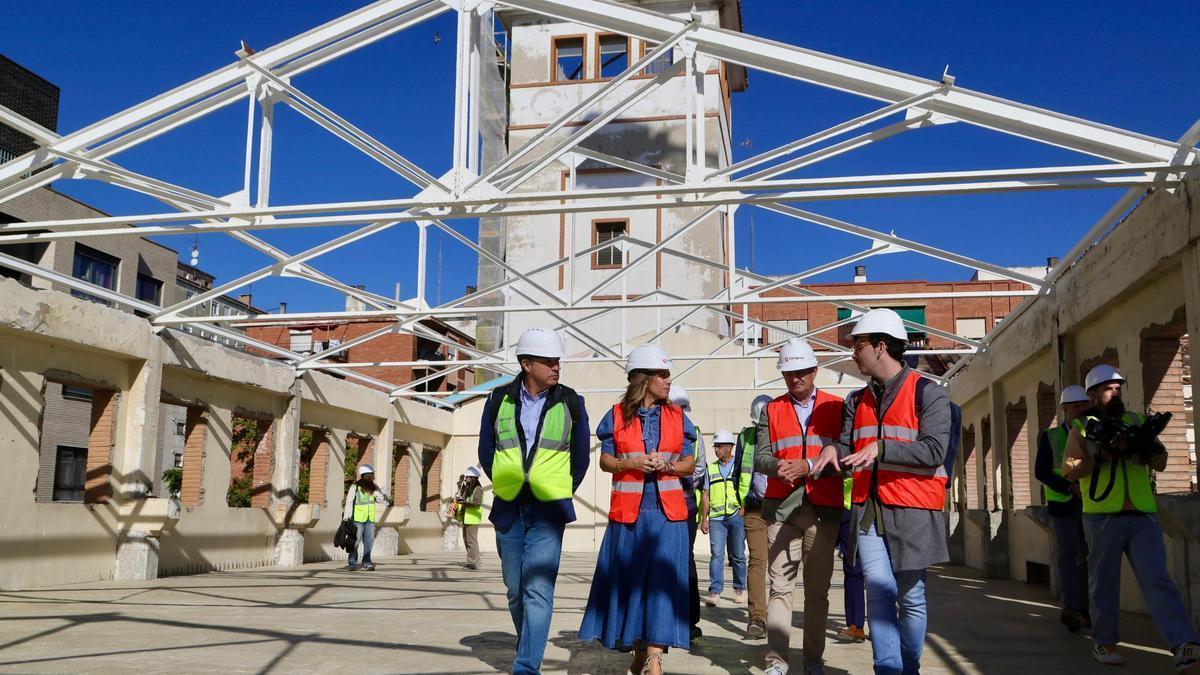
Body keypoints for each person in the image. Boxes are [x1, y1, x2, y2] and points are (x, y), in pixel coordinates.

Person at [825, 308, 953, 675]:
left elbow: (933, 451)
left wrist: (882, 448)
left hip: (912, 510)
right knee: (878, 593)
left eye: (858, 345)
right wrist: (834, 449)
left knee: (911, 599)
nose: (853, 352)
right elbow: (849, 443)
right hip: (867, 510)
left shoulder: (928, 393)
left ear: (881, 347)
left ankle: (908, 668)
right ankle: (888, 670)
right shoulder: (854, 400)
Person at [1062, 365, 1200, 671]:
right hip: (1101, 516)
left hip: (1142, 514)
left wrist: (1144, 447)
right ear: (1094, 395)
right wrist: (1103, 456)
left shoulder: (1137, 421)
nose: (1116, 392)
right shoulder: (1083, 426)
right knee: (1104, 584)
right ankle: (1105, 642)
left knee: (1158, 580)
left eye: (1119, 387)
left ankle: (1184, 644)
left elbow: (1161, 461)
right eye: (1109, 388)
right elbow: (1070, 469)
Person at [477, 327, 591, 675]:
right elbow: (486, 449)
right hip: (509, 506)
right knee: (515, 589)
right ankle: (528, 641)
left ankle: (526, 665)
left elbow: (581, 457)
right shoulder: (498, 400)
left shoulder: (571, 401)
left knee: (538, 589)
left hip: (548, 509)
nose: (556, 367)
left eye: (557, 361)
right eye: (548, 361)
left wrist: (557, 486)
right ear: (526, 364)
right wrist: (505, 479)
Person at [580, 344, 697, 675]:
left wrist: (668, 466)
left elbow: (689, 463)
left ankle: (655, 657)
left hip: (668, 514)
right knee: (632, 583)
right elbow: (605, 461)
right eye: (662, 374)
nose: (668, 380)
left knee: (662, 582)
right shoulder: (615, 416)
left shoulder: (677, 416)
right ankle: (638, 648)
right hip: (628, 515)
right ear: (643, 379)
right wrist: (628, 462)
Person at [754, 338, 846, 675]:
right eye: (789, 373)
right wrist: (777, 465)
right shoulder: (771, 410)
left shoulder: (837, 408)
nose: (795, 379)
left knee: (817, 593)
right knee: (780, 588)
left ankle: (813, 661)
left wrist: (810, 464)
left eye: (801, 372)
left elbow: (846, 455)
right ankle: (777, 662)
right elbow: (760, 455)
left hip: (823, 511)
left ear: (814, 370)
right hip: (783, 509)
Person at [1034, 384, 1092, 633]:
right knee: (1068, 554)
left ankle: (1088, 609)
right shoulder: (1050, 436)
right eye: (1076, 406)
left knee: (1089, 556)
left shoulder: (1094, 433)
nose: (1080, 410)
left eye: (1084, 405)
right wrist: (1069, 487)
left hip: (1090, 503)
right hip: (1062, 505)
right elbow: (1041, 471)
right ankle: (1072, 608)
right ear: (1065, 408)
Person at [669, 384, 708, 641]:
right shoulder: (695, 431)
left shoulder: (663, 429)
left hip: (673, 500)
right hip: (686, 499)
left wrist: (668, 473)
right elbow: (699, 471)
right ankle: (690, 621)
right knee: (685, 560)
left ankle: (674, 618)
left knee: (671, 561)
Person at [737, 394, 773, 639]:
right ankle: (757, 617)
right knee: (758, 562)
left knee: (782, 566)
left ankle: (779, 616)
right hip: (754, 507)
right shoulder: (745, 437)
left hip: (782, 507)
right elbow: (740, 468)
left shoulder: (782, 433)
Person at [700, 429, 747, 608]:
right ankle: (715, 591)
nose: (716, 449)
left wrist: (743, 509)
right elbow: (706, 494)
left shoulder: (740, 465)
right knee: (716, 555)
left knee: (738, 555)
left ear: (729, 447)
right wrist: (704, 518)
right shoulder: (711, 468)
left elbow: (745, 487)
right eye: (715, 446)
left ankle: (740, 588)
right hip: (717, 519)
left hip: (736, 516)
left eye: (719, 446)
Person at [343, 464, 390, 571]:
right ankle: (352, 562)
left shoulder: (373, 488)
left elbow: (381, 500)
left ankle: (367, 563)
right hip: (358, 519)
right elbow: (349, 503)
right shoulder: (354, 487)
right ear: (365, 476)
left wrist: (380, 493)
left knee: (369, 541)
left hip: (370, 519)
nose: (372, 478)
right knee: (355, 541)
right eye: (370, 476)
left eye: (372, 476)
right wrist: (346, 518)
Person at [449, 466, 485, 570]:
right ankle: (475, 560)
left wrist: (464, 503)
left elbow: (477, 503)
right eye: (466, 477)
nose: (467, 479)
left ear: (474, 478)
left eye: (469, 477)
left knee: (471, 541)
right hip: (466, 517)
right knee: (466, 540)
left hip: (473, 518)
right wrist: (461, 484)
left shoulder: (478, 489)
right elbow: (462, 496)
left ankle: (472, 563)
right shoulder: (469, 488)